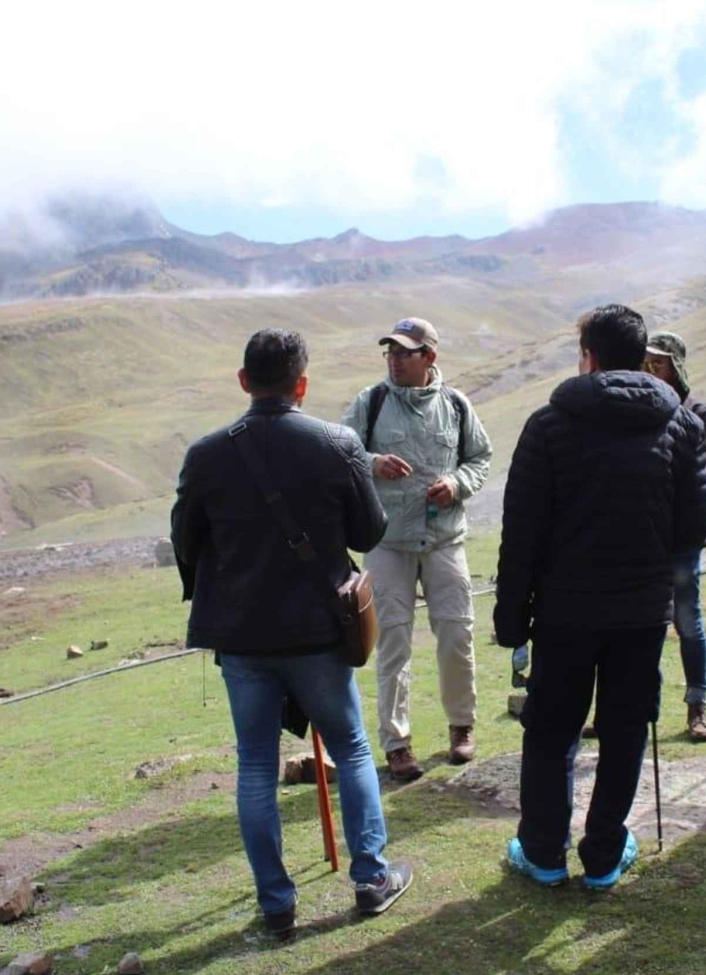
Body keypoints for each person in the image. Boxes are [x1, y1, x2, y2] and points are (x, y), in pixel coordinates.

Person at [172, 328, 412, 938]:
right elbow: (369, 533)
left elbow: (185, 540)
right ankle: (371, 878)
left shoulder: (206, 455)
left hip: (243, 636)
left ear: (244, 381)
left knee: (255, 764)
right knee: (353, 747)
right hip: (317, 633)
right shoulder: (338, 443)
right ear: (301, 384)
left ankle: (276, 906)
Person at [495, 304, 706, 889]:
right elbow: (695, 527)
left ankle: (542, 853)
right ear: (642, 358)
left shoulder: (549, 425)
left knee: (550, 730)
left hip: (565, 611)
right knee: (624, 729)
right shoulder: (681, 426)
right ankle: (603, 857)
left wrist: (513, 621)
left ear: (587, 355)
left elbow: (522, 531)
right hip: (641, 612)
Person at [342, 318, 492, 781]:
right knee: (392, 642)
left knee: (457, 636)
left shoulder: (457, 405)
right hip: (388, 542)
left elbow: (479, 458)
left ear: (429, 357)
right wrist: (372, 463)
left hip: (446, 540)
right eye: (390, 351)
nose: (394, 359)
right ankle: (397, 744)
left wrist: (456, 483)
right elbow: (340, 453)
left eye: (405, 352)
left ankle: (461, 728)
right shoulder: (372, 402)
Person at [643, 331, 706, 741]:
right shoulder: (638, 410)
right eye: (647, 363)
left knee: (688, 622)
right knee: (639, 624)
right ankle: (637, 707)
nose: (652, 370)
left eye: (660, 363)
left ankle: (698, 706)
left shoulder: (700, 414)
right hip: (644, 537)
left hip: (682, 540)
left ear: (677, 366)